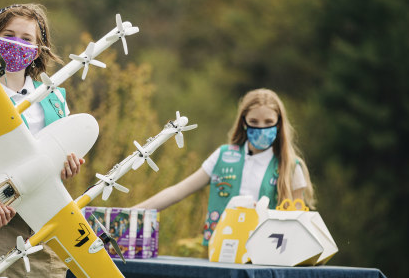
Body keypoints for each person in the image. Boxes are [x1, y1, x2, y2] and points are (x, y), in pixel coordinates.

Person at [0, 4, 83, 277]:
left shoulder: (54, 97)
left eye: (26, 39)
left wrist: (68, 167)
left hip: (44, 228)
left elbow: (55, 163)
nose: (17, 44)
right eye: (9, 35)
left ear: (38, 49)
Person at [134, 88, 316, 245]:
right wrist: (129, 214)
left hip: (267, 260)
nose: (261, 128)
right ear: (244, 122)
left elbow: (298, 224)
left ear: (279, 124)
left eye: (268, 122)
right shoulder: (223, 156)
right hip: (223, 254)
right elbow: (177, 192)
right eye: (254, 122)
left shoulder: (291, 167)